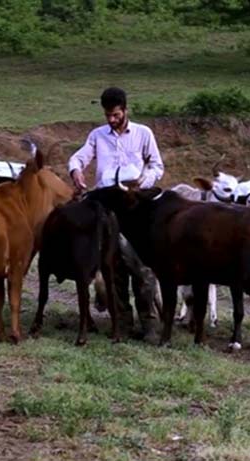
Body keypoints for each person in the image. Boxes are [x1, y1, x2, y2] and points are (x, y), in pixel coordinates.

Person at [68, 87, 164, 339]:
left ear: (125, 109)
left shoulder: (144, 133)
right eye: (107, 115)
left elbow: (157, 165)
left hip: (137, 204)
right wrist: (76, 171)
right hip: (106, 204)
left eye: (116, 114)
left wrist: (144, 180)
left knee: (142, 267)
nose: (111, 119)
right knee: (114, 266)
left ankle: (149, 325)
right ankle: (122, 322)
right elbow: (79, 158)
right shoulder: (97, 136)